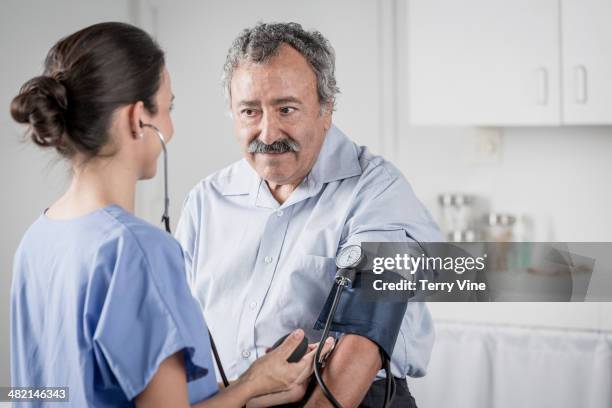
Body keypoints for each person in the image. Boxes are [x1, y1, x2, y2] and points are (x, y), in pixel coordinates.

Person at [9, 22, 332, 408]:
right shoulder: (139, 251)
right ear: (137, 119)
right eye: (167, 108)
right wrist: (248, 385)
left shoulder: (37, 239)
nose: (170, 127)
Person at [175, 22, 443, 407]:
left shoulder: (377, 192)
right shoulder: (206, 201)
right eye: (250, 111)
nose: (268, 133)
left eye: (287, 109)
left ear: (326, 108)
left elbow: (363, 335)